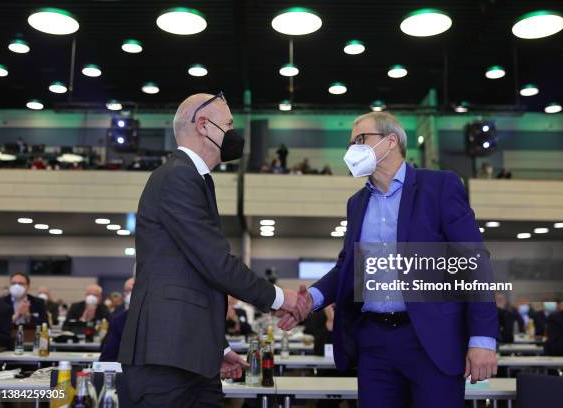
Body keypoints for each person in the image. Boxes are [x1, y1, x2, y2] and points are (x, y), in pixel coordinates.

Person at [277, 112, 498, 407]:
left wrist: (482, 338)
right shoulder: (356, 203)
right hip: (374, 343)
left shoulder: (439, 187)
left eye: (360, 140)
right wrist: (310, 299)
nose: (352, 150)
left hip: (430, 341)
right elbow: (348, 267)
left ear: (390, 141)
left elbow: (475, 261)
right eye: (351, 143)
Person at [118, 92, 299, 407]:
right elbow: (215, 262)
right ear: (203, 125)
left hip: (190, 359)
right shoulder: (178, 176)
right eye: (228, 124)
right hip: (166, 360)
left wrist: (216, 348)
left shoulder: (194, 179)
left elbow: (197, 277)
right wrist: (281, 298)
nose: (233, 134)